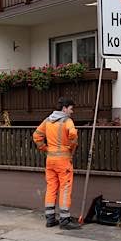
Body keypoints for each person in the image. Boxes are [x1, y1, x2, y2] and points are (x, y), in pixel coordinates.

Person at [33, 97, 81, 230]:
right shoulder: (67, 121)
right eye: (71, 109)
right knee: (65, 188)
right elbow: (73, 135)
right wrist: (71, 147)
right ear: (65, 108)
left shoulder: (48, 120)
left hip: (50, 160)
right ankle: (65, 220)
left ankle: (50, 219)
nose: (72, 112)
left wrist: (45, 148)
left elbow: (36, 136)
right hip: (63, 161)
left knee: (51, 187)